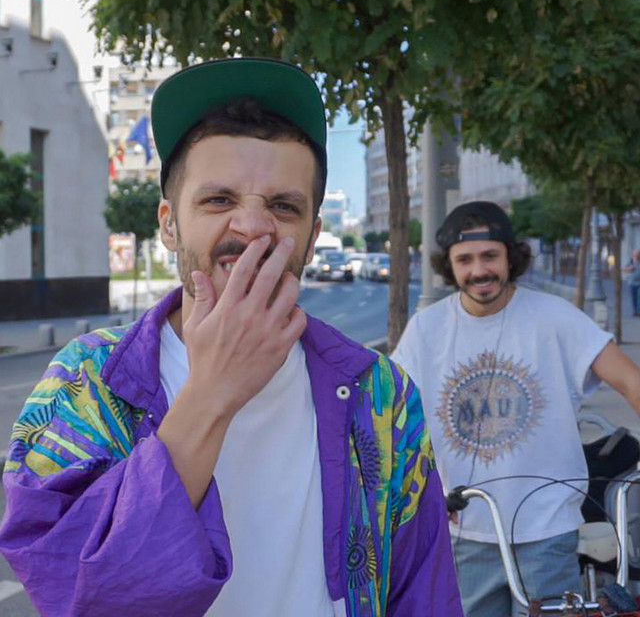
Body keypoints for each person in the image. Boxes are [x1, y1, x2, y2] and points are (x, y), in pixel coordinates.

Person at [0, 58, 462, 617]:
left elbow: (426, 594)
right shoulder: (86, 380)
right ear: (169, 224)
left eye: (283, 206)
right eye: (219, 200)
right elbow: (80, 594)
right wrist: (213, 391)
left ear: (312, 235)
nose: (253, 227)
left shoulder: (382, 394)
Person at [391, 201, 640, 617]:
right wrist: (416, 489)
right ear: (449, 265)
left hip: (547, 530)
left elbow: (631, 381)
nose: (479, 270)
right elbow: (391, 414)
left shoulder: (555, 317)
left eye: (490, 255)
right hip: (464, 530)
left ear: (511, 256)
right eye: (465, 260)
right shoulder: (426, 329)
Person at [623, 249, 640, 316]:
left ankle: (638, 311)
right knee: (634, 298)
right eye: (635, 254)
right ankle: (635, 311)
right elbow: (624, 269)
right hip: (632, 282)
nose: (636, 256)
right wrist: (629, 268)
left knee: (639, 297)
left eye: (637, 254)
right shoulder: (631, 261)